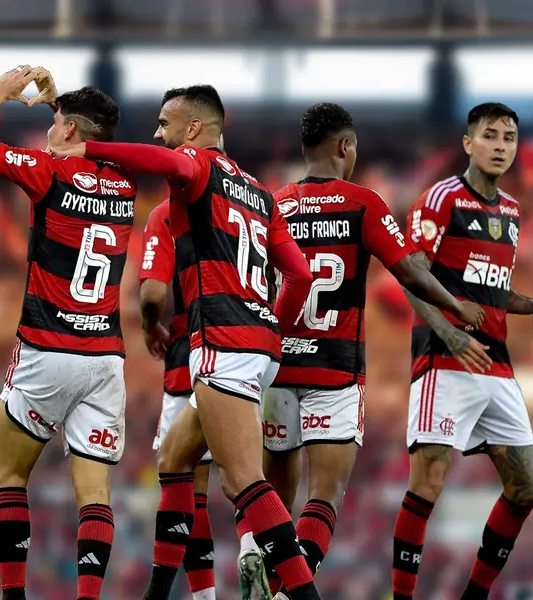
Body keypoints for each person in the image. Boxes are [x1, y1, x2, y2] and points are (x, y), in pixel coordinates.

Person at [49, 84, 322, 600]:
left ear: (193, 129)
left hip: (222, 338)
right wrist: (270, 327)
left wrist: (88, 148)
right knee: (175, 460)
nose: (158, 133)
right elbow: (301, 275)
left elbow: (161, 161)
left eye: (164, 123)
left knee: (243, 481)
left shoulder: (197, 165)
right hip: (258, 344)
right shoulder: (260, 193)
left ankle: (303, 595)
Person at [261, 103, 485, 597]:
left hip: (277, 367)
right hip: (335, 371)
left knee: (274, 497)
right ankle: (286, 592)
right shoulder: (363, 203)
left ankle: (259, 563)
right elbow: (409, 271)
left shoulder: (274, 204)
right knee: (326, 494)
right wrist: (457, 306)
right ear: (345, 146)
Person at [0, 66, 129, 600]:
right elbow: (80, 139)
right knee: (95, 497)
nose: (49, 133)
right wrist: (56, 104)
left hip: (48, 349)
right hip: (105, 359)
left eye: (56, 125)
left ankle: (13, 597)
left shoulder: (49, 173)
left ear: (70, 131)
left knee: (10, 476)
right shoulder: (122, 179)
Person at [391, 103, 533, 600]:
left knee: (525, 488)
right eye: (490, 135)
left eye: (509, 137)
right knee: (429, 482)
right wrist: (451, 334)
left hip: (497, 363)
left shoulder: (510, 210)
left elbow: (491, 288)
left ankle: (475, 595)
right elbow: (411, 275)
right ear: (468, 143)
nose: (501, 145)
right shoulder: (439, 198)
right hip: (445, 359)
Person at [139, 199, 218, 600]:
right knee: (247, 475)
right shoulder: (254, 198)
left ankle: (183, 596)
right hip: (252, 344)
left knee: (182, 477)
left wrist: (149, 325)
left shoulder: (167, 212)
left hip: (192, 344)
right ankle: (255, 548)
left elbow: (153, 294)